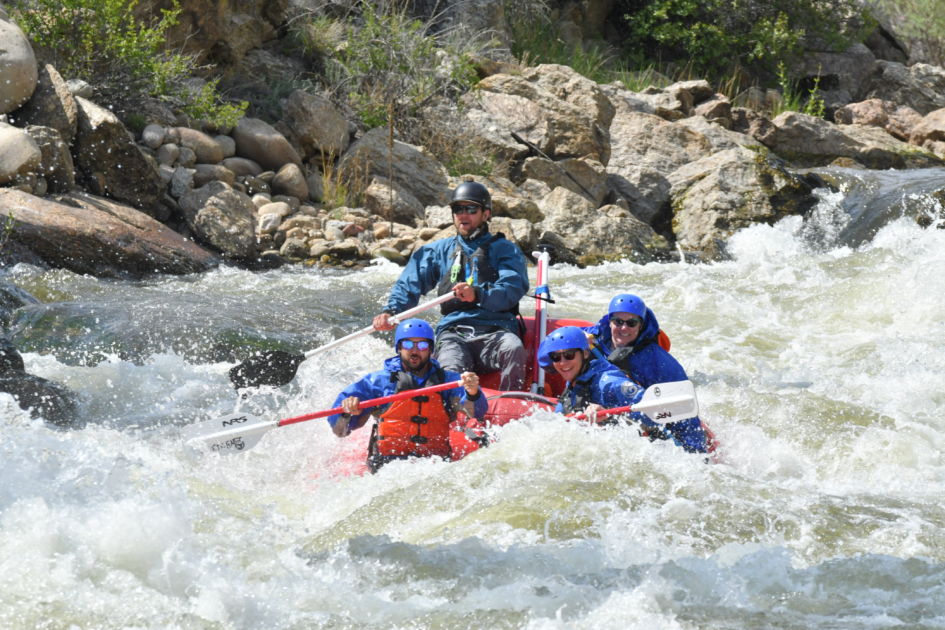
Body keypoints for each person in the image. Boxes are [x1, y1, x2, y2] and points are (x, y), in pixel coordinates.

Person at [372, 180, 529, 391]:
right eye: (458, 209)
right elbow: (409, 284)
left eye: (471, 209)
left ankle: (511, 405)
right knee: (449, 366)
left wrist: (478, 294)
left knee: (514, 348)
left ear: (486, 214)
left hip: (497, 331)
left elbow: (513, 287)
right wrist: (391, 310)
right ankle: (454, 413)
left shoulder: (506, 250)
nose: (463, 214)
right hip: (454, 334)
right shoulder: (437, 251)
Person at [327, 319, 489, 472]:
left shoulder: (448, 381)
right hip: (387, 464)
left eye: (423, 345)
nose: (415, 350)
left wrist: (473, 393)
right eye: (408, 344)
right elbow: (339, 431)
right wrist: (346, 412)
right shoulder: (377, 382)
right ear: (399, 347)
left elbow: (477, 412)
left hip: (434, 464)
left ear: (431, 349)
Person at [538, 326, 708, 454]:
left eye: (568, 355)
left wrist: (608, 413)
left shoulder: (609, 383)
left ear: (585, 354)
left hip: (652, 450)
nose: (562, 362)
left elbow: (656, 417)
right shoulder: (575, 379)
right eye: (556, 357)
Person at [583, 293, 689, 390]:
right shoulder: (594, 336)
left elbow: (683, 393)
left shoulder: (656, 360)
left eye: (631, 323)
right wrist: (578, 337)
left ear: (641, 325)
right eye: (618, 322)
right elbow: (566, 331)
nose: (624, 328)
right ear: (610, 322)